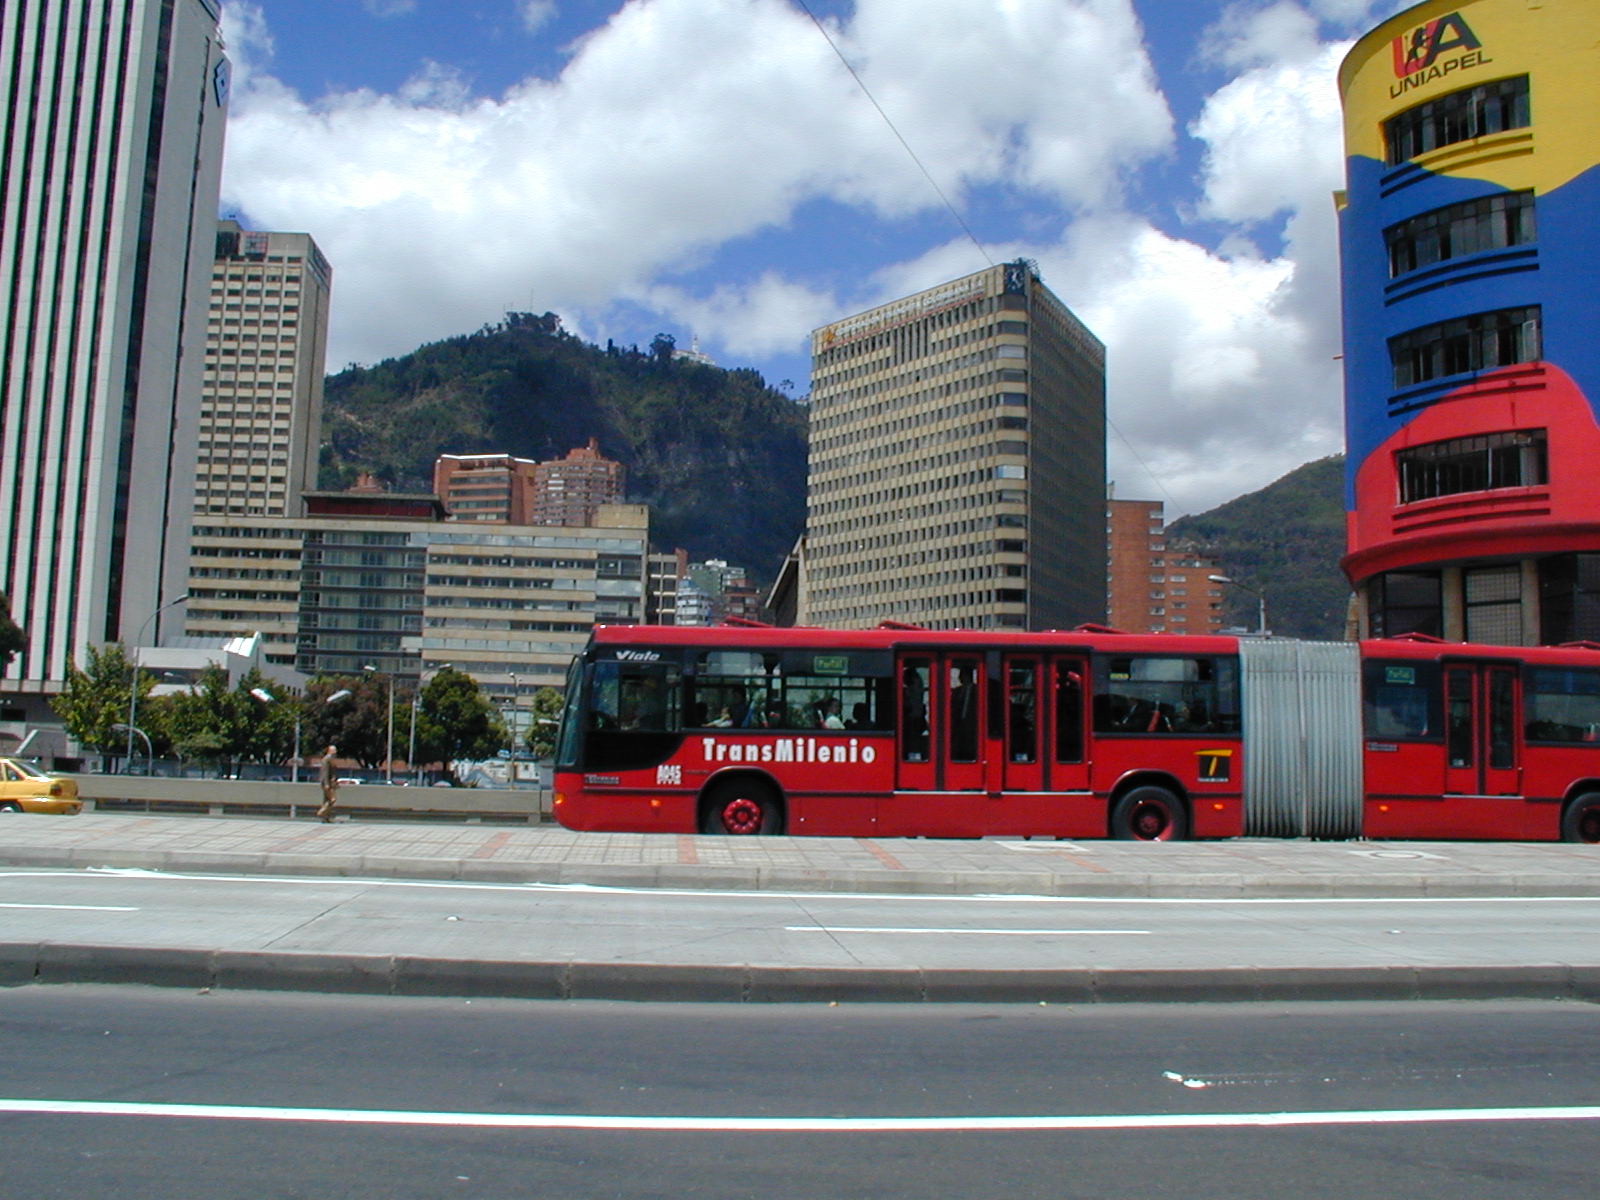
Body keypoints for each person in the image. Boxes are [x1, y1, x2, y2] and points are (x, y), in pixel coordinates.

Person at [316, 745, 340, 823]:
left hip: (330, 783)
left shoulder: (331, 759)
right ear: (329, 751)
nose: (335, 752)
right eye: (334, 750)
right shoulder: (326, 759)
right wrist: (326, 784)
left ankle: (326, 817)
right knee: (332, 799)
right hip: (327, 783)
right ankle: (321, 812)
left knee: (326, 800)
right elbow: (325, 772)